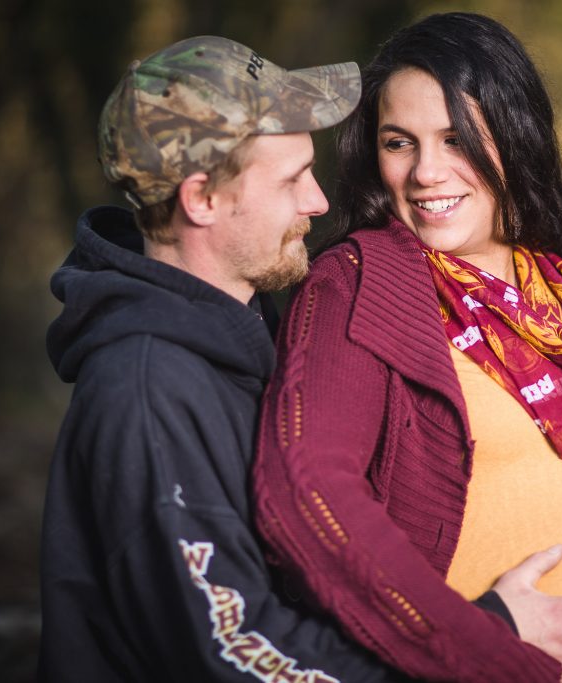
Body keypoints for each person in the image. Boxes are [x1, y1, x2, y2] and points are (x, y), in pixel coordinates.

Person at [254, 12, 562, 683]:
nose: (428, 171)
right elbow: (306, 495)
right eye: (400, 142)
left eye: (458, 139)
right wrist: (489, 650)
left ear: (514, 138)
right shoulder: (357, 281)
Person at [39, 35, 411, 682]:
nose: (318, 202)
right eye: (293, 178)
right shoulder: (146, 392)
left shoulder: (250, 337)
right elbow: (237, 652)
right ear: (201, 199)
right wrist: (467, 655)